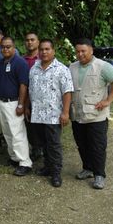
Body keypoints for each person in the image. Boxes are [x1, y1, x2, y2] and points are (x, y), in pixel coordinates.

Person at [69, 38, 113, 189]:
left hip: (96, 116)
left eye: (83, 51)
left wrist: (108, 100)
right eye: (77, 51)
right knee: (82, 144)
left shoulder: (103, 66)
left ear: (91, 50)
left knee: (97, 146)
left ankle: (99, 175)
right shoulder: (72, 67)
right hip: (77, 114)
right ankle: (88, 168)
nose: (80, 54)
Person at [27, 39, 73, 187]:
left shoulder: (61, 69)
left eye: (47, 49)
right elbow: (30, 90)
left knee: (54, 144)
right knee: (42, 143)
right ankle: (47, 167)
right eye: (41, 49)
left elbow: (67, 92)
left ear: (53, 51)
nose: (44, 52)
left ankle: (56, 173)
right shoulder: (34, 69)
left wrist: (65, 113)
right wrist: (28, 107)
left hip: (53, 115)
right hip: (37, 114)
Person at [0, 36, 32, 176]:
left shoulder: (20, 63)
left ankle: (25, 162)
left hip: (14, 103)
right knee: (7, 133)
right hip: (2, 102)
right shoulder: (1, 63)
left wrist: (21, 104)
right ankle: (14, 158)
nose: (5, 49)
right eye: (3, 47)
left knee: (17, 133)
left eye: (8, 46)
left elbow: (23, 85)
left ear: (14, 47)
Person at [23, 32, 41, 161]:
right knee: (29, 125)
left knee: (41, 126)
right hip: (25, 97)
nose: (30, 42)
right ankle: (34, 149)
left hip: (41, 97)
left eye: (32, 40)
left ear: (38, 42)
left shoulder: (44, 58)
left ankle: (43, 149)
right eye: (27, 40)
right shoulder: (21, 60)